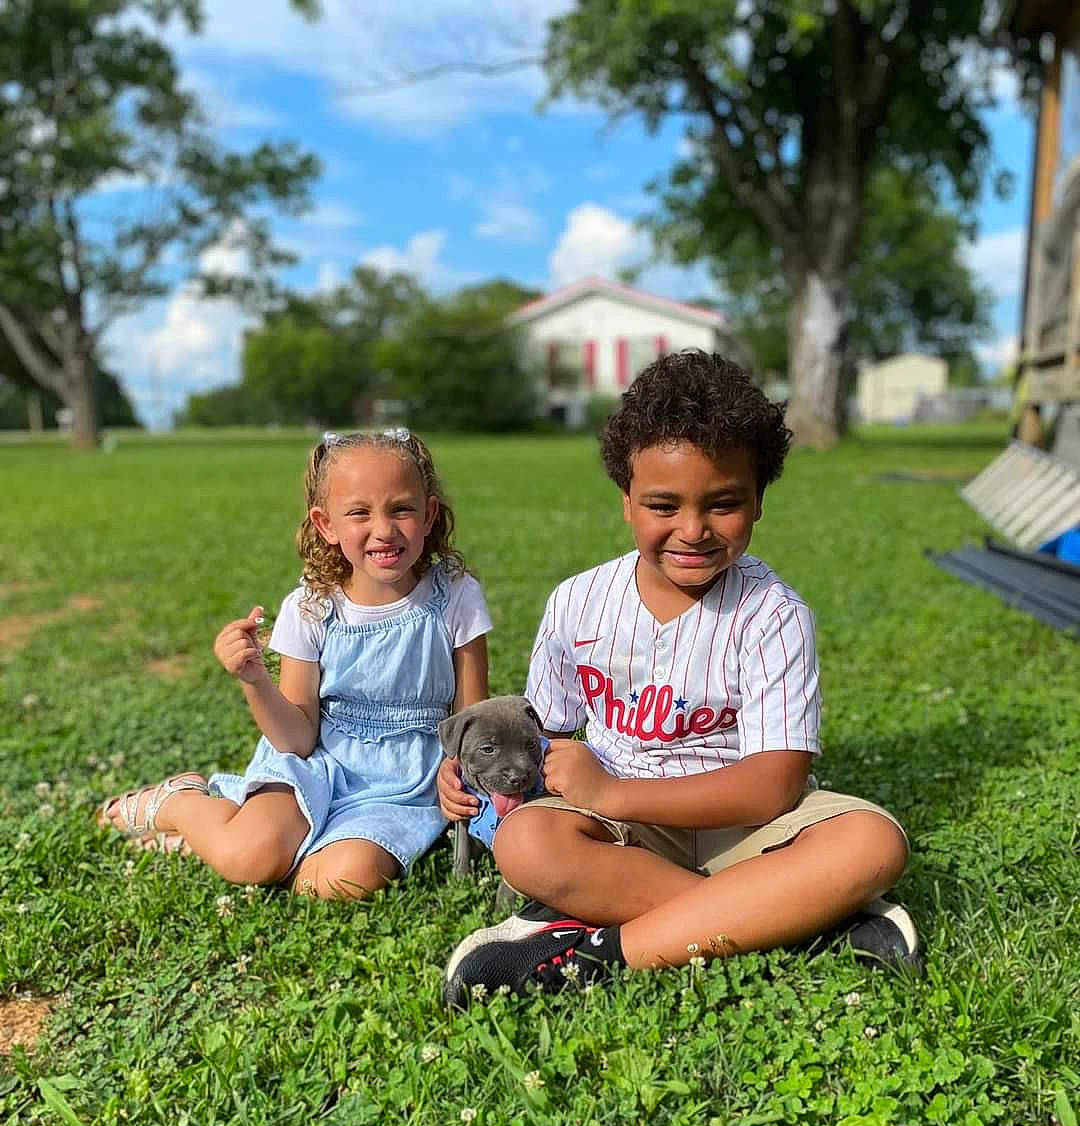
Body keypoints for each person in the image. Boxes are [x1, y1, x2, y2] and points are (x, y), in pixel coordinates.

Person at [440, 351, 918, 1005]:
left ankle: (596, 953)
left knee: (871, 843)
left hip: (746, 831)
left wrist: (615, 793)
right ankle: (799, 921)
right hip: (622, 838)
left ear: (758, 502)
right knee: (527, 844)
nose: (692, 531)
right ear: (627, 501)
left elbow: (771, 789)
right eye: (663, 505)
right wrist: (470, 775)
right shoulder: (578, 602)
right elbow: (545, 735)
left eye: (723, 504)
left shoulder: (773, 614)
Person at [99, 428, 490, 900]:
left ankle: (220, 841)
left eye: (401, 509)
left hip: (405, 785)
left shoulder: (456, 596)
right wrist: (254, 680)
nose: (384, 529)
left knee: (344, 881)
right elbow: (297, 738)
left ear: (429, 514)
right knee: (249, 857)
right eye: (359, 513)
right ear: (326, 525)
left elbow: (473, 716)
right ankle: (182, 805)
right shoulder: (311, 608)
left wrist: (457, 771)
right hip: (317, 764)